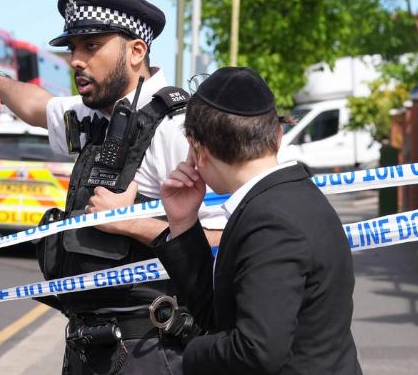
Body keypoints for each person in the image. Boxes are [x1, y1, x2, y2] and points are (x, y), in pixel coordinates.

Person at [0, 0, 216, 374]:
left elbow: (232, 235)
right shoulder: (100, 114)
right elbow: (38, 107)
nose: (75, 60)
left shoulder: (177, 128)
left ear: (136, 51)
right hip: (91, 350)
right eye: (72, 48)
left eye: (91, 46)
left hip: (153, 350)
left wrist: (133, 224)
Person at [153, 67, 362, 374]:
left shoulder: (270, 220)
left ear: (197, 149)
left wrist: (191, 350)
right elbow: (221, 315)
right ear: (277, 135)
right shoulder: (291, 197)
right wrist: (183, 223)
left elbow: (257, 350)